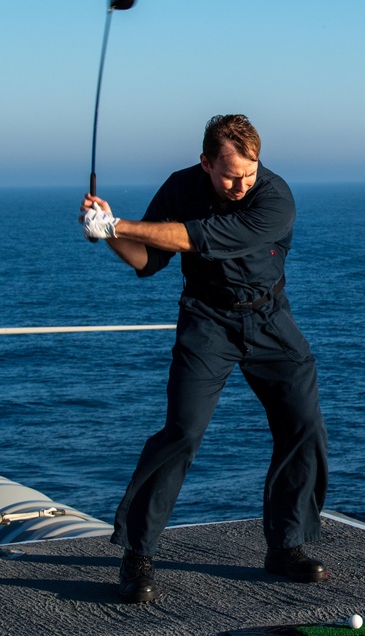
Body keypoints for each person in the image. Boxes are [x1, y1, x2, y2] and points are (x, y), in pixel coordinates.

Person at [80, 114, 329, 604]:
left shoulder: (275, 198)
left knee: (304, 425)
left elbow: (198, 238)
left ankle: (285, 547)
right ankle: (137, 554)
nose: (241, 183)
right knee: (182, 432)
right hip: (206, 320)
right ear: (206, 163)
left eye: (249, 173)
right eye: (230, 174)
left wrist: (120, 224)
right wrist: (106, 233)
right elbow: (149, 259)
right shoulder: (180, 187)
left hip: (269, 318)